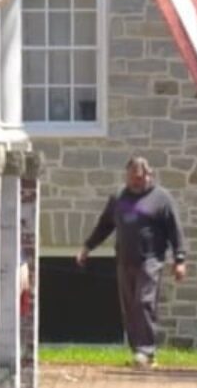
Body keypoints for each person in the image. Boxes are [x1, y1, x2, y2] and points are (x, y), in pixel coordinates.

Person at [77, 156, 188, 368]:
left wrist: (179, 259)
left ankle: (146, 350)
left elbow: (175, 230)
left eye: (138, 178)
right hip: (125, 259)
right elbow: (105, 225)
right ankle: (139, 350)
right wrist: (87, 247)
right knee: (129, 306)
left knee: (144, 302)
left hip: (151, 259)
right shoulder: (119, 197)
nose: (135, 182)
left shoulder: (161, 198)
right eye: (131, 178)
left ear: (149, 175)